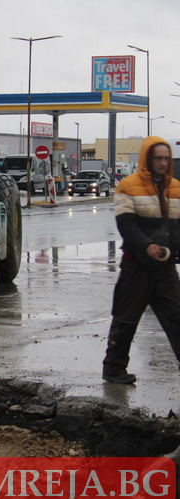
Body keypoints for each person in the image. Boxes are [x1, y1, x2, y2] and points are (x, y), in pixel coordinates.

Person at [102, 136, 180, 384]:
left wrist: (170, 249)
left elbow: (177, 229)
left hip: (165, 269)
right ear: (147, 158)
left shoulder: (176, 188)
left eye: (166, 158)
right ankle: (113, 368)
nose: (163, 163)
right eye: (158, 158)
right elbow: (126, 225)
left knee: (176, 316)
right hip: (136, 267)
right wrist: (147, 246)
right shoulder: (128, 186)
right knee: (126, 318)